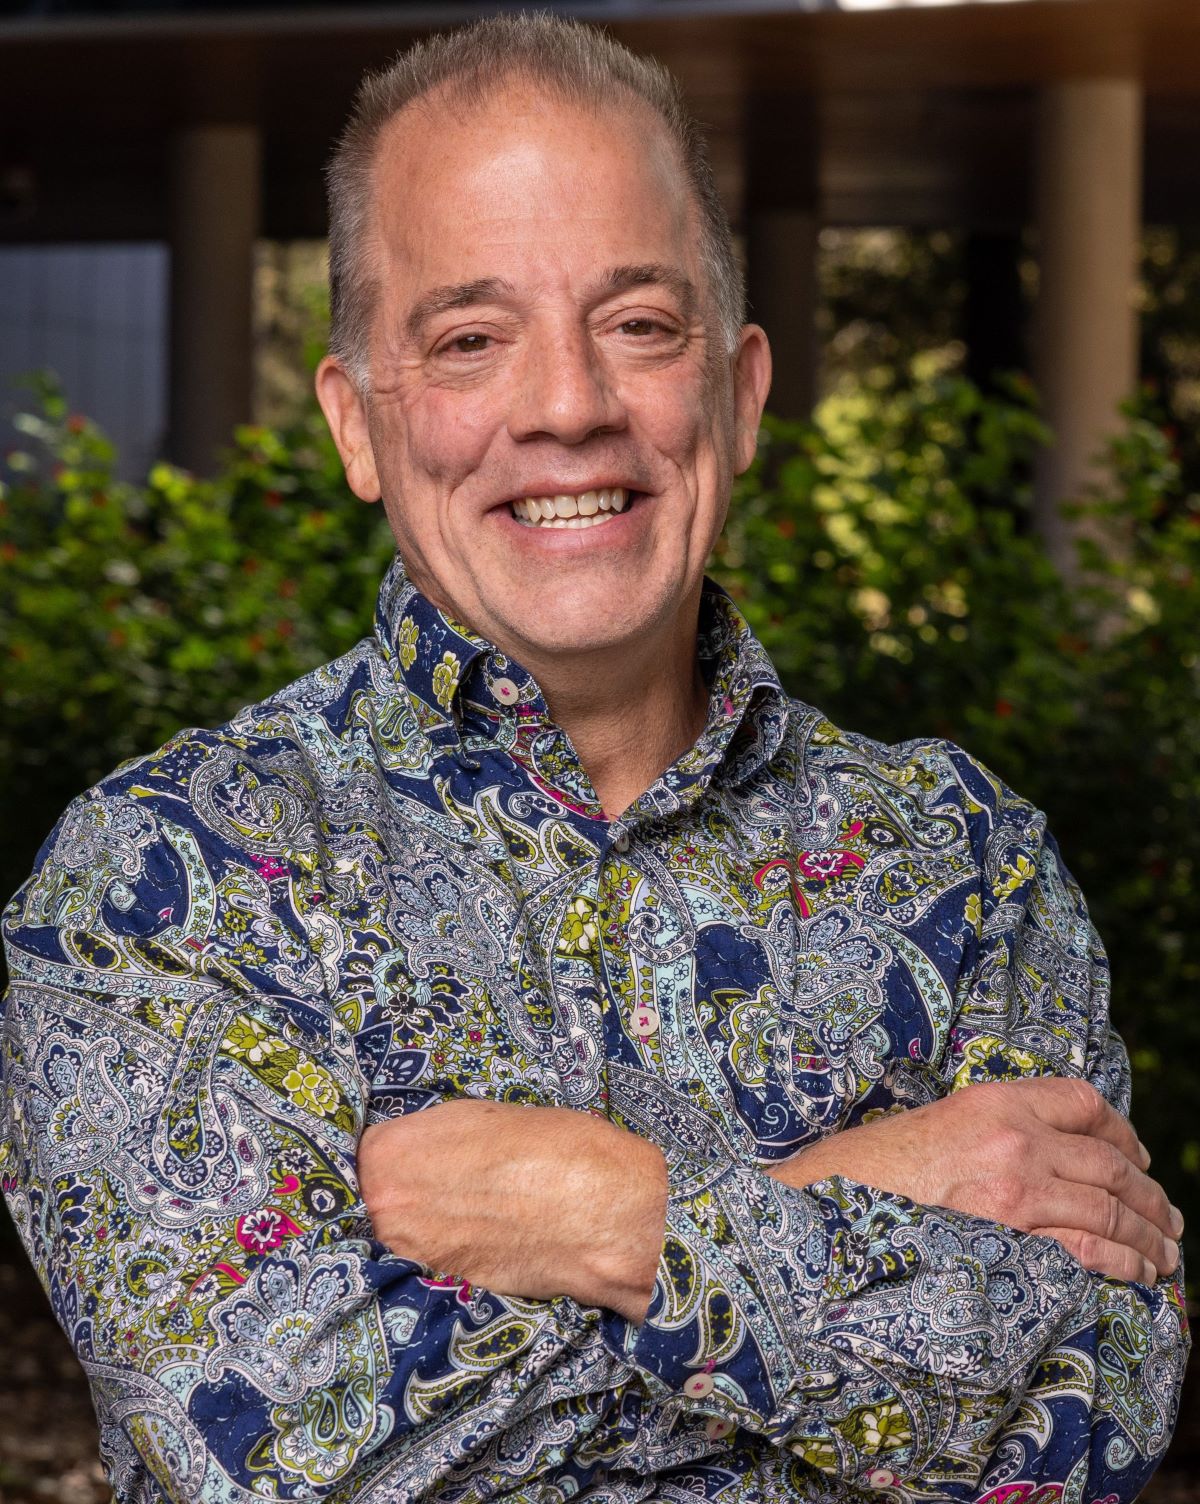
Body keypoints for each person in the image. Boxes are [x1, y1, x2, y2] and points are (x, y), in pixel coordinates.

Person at [0, 14, 1188, 1504]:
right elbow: (286, 1458)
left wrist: (599, 1217)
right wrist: (860, 1201)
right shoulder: (161, 885)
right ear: (357, 423)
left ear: (740, 394)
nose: (568, 405)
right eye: (470, 339)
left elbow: (1082, 1408)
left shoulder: (969, 863)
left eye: (638, 323)